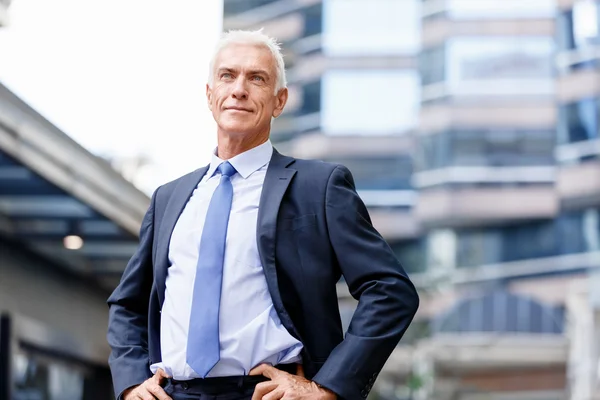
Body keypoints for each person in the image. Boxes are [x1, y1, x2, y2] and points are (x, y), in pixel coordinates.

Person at [107, 29, 419, 400]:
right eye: (227, 75)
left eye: (257, 79)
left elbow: (390, 290)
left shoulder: (319, 187)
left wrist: (329, 387)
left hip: (266, 393)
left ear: (279, 101)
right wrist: (129, 383)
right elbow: (128, 303)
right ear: (210, 95)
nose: (239, 89)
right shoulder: (168, 199)